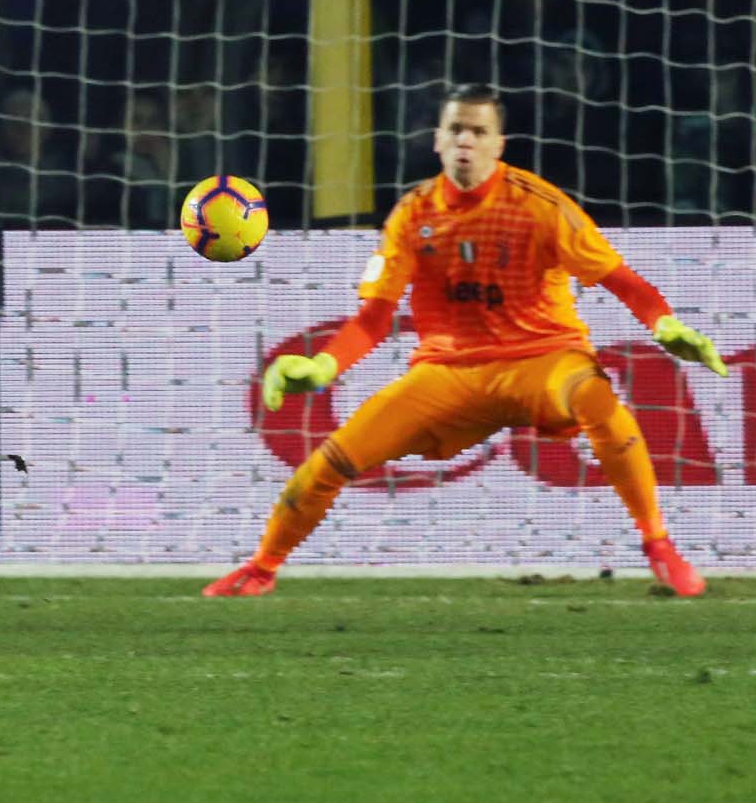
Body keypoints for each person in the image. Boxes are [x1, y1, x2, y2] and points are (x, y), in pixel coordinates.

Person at [204, 84, 726, 599]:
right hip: (448, 372)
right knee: (332, 460)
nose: (465, 141)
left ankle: (658, 545)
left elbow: (623, 281)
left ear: (498, 145)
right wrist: (322, 367)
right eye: (456, 129)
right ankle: (261, 568)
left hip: (542, 359)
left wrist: (664, 324)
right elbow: (373, 319)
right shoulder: (413, 214)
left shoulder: (541, 206)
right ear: (437, 139)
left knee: (599, 402)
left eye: (478, 132)